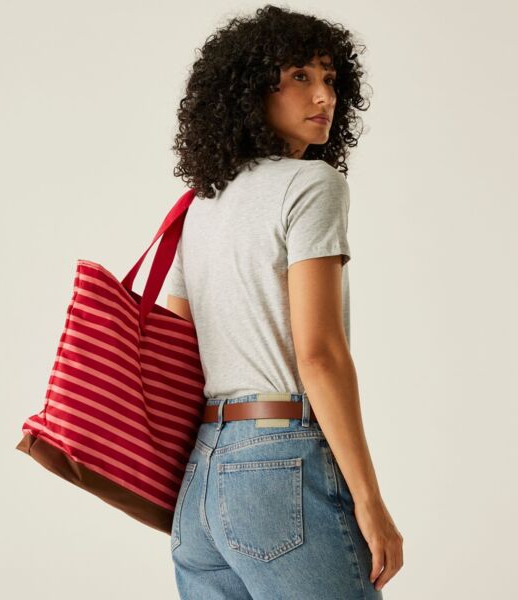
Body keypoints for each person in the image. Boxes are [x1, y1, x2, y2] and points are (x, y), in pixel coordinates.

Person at [165, 5, 403, 599]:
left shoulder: (202, 203)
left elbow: (177, 342)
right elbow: (318, 354)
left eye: (330, 78)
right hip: (280, 466)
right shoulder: (312, 185)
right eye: (300, 76)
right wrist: (370, 501)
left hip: (200, 483)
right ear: (250, 91)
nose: (324, 96)